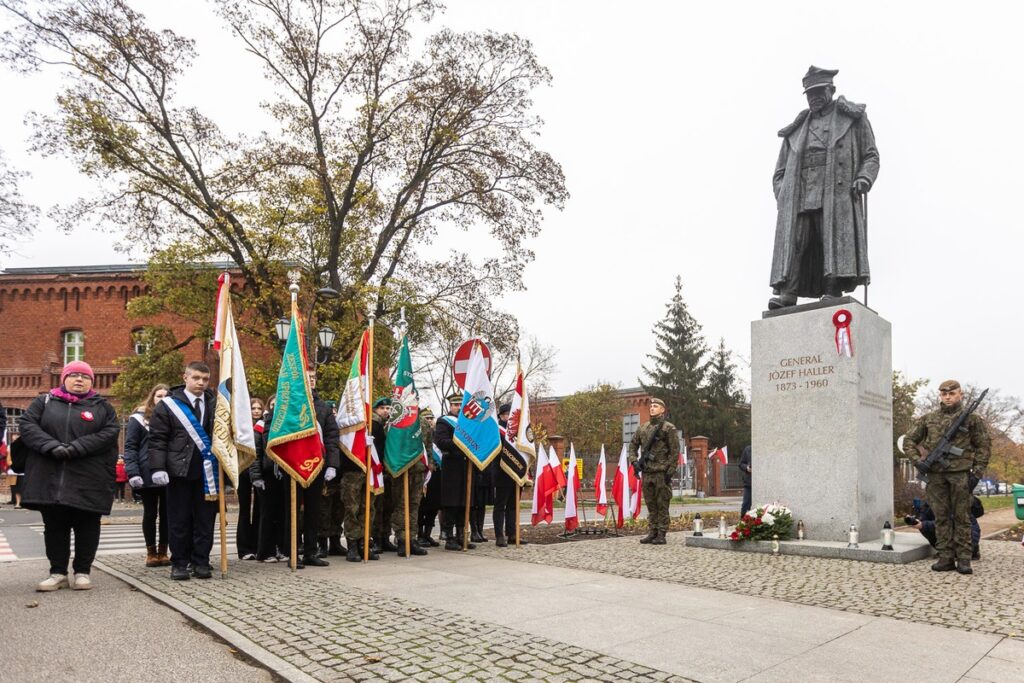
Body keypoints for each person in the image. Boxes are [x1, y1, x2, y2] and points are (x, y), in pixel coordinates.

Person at [769, 66, 880, 310]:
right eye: (809, 94)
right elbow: (779, 172)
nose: (814, 97)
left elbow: (871, 155)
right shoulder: (796, 129)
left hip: (836, 193)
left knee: (829, 239)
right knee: (797, 241)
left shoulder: (852, 118)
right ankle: (788, 291)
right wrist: (783, 194)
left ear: (832, 89)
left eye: (819, 91)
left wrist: (864, 177)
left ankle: (832, 287)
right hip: (800, 194)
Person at [17, 361, 120, 591]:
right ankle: (57, 573)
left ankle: (83, 572)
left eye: (85, 377)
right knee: (54, 526)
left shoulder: (102, 407)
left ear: (91, 382)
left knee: (88, 525)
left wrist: (77, 447)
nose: (79, 380)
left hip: (89, 478)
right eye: (73, 375)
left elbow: (110, 433)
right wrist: (52, 446)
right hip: (50, 477)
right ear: (63, 379)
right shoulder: (43, 402)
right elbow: (28, 426)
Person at [904, 380, 991, 575]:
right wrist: (917, 461)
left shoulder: (971, 419)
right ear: (940, 396)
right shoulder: (929, 419)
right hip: (935, 477)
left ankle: (964, 559)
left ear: (960, 394)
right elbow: (909, 440)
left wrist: (976, 473)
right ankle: (945, 557)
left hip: (960, 475)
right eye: (944, 394)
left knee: (962, 517)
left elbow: (983, 446)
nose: (948, 397)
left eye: (952, 393)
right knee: (941, 517)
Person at [148, 361, 218, 580]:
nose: (200, 383)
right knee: (179, 519)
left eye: (205, 379)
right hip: (179, 471)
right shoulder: (168, 405)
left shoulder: (215, 404)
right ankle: (179, 562)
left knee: (205, 520)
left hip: (208, 472)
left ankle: (201, 562)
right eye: (196, 378)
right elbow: (158, 439)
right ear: (185, 377)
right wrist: (158, 467)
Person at [280, 369, 339, 569]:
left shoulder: (322, 407)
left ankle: (311, 552)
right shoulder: (288, 404)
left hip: (316, 464)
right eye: (306, 378)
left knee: (314, 511)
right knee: (292, 511)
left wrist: (331, 464)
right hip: (292, 463)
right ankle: (292, 552)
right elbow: (279, 431)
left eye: (313, 378)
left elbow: (332, 436)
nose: (311, 381)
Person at [124, 383, 171, 568]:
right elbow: (131, 446)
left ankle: (163, 551)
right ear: (152, 397)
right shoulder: (139, 418)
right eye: (159, 396)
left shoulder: (172, 417)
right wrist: (133, 472)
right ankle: (151, 552)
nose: (162, 399)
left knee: (167, 515)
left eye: (166, 396)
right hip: (146, 473)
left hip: (169, 473)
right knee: (150, 513)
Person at [628, 397, 680, 545]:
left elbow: (674, 451)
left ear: (662, 410)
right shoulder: (642, 428)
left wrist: (670, 470)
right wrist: (634, 461)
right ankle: (652, 532)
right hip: (647, 472)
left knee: (662, 504)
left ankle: (661, 534)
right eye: (651, 406)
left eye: (656, 406)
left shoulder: (668, 428)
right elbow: (632, 445)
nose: (652, 408)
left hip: (661, 473)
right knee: (651, 504)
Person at [434, 393, 475, 551]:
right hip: (452, 467)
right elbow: (441, 441)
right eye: (455, 405)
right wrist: (460, 443)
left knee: (464, 503)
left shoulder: (469, 423)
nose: (458, 408)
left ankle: (461, 536)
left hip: (467, 467)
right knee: (451, 504)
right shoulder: (444, 421)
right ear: (450, 406)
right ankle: (449, 537)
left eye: (460, 405)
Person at [250, 400, 288, 563]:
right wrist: (256, 476)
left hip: (284, 474)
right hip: (266, 475)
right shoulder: (261, 426)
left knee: (283, 514)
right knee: (267, 514)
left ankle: (283, 548)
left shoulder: (288, 425)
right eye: (273, 405)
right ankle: (266, 551)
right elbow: (255, 453)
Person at [233, 398, 264, 561]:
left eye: (259, 408)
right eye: (253, 408)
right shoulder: (241, 427)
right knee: (245, 510)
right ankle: (244, 548)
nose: (256, 411)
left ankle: (258, 546)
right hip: (243, 471)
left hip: (259, 473)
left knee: (260, 510)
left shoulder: (264, 427)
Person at [906, 498, 983, 560]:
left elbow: (948, 522)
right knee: (924, 526)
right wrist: (917, 519)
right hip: (953, 536)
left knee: (926, 525)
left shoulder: (954, 500)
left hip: (968, 540)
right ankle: (944, 550)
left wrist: (924, 524)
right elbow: (925, 518)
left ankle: (968, 552)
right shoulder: (930, 502)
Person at [492, 403, 521, 548]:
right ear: (502, 416)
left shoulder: (518, 431)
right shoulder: (497, 430)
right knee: (500, 506)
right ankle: (499, 535)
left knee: (513, 506)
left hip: (516, 472)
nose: (508, 417)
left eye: (511, 414)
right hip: (501, 472)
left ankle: (512, 534)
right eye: (506, 414)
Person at [370, 397, 397, 552]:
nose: (386, 411)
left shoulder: (389, 426)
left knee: (388, 507)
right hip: (377, 471)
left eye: (388, 408)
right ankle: (377, 539)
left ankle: (385, 537)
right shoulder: (373, 425)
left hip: (388, 471)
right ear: (375, 410)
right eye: (383, 408)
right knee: (377, 508)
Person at [417, 408, 442, 547]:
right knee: (422, 507)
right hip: (423, 473)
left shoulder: (437, 435)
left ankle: (428, 534)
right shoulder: (418, 435)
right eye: (426, 418)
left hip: (436, 474)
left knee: (433, 506)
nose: (429, 421)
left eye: (431, 418)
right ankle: (420, 535)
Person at [739, 445, 752, 518]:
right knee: (746, 504)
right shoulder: (748, 449)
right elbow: (741, 464)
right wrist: (747, 468)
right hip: (749, 483)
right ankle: (743, 523)